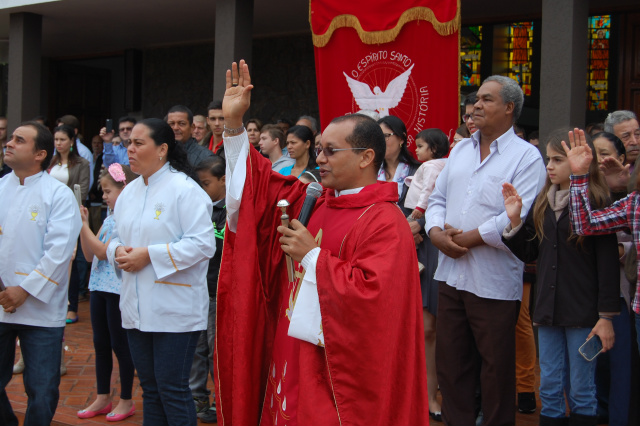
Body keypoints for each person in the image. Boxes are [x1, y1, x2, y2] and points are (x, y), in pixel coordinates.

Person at [214, 60, 428, 426]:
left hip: (337, 375)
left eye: (331, 151)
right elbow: (255, 190)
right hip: (292, 350)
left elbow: (374, 301)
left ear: (365, 157)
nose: (320, 159)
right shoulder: (314, 200)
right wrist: (234, 126)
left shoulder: (384, 221)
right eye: (321, 150)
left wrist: (312, 255)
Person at [425, 75, 546, 426]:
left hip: (492, 282)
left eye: (486, 99)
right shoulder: (460, 148)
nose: (476, 105)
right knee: (452, 367)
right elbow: (438, 199)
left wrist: (459, 241)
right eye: (476, 98)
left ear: (509, 108)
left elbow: (512, 218)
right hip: (450, 276)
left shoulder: (527, 157)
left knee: (495, 373)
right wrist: (435, 232)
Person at [502, 129, 619, 426]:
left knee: (582, 389)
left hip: (584, 312)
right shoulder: (543, 201)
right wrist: (515, 220)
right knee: (550, 387)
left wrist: (605, 316)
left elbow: (608, 264)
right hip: (548, 309)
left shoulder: (597, 201)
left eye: (558, 159)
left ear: (579, 162)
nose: (550, 166)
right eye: (548, 159)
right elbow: (530, 252)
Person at [105, 118, 215, 426]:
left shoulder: (185, 190)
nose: (130, 149)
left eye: (139, 143)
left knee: (172, 388)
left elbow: (203, 244)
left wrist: (149, 256)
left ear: (162, 149)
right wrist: (117, 251)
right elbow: (115, 237)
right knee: (150, 389)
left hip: (174, 308)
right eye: (129, 143)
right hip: (136, 305)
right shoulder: (128, 193)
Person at [0, 121, 82, 426]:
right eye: (10, 138)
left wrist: (23, 289)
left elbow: (60, 251)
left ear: (40, 154)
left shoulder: (58, 195)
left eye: (19, 140)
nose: (9, 143)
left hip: (40, 308)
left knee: (42, 389)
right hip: (0, 302)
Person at [76, 164, 137, 422]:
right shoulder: (109, 218)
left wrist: (82, 225)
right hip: (99, 287)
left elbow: (103, 252)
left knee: (120, 345)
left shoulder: (128, 218)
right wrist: (83, 226)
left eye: (108, 191)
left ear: (124, 189)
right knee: (100, 344)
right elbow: (90, 256)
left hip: (117, 289)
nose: (104, 196)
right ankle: (102, 396)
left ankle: (126, 399)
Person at [402, 128, 448, 421]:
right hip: (418, 244)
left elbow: (428, 200)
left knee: (441, 327)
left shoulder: (436, 168)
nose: (415, 149)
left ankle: (438, 393)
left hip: (439, 241)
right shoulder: (418, 170)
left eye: (420, 145)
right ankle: (423, 394)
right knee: (423, 327)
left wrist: (419, 219)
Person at [590, 131, 633, 426]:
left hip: (620, 297)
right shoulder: (581, 192)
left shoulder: (630, 195)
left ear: (621, 160)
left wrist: (622, 247)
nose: (597, 160)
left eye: (604, 153)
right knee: (589, 370)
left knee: (621, 370)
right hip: (583, 296)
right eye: (591, 153)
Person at [189, 156, 227, 424]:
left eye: (206, 184)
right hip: (196, 290)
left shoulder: (233, 212)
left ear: (224, 180)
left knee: (217, 351)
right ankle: (196, 399)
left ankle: (222, 402)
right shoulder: (195, 209)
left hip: (218, 292)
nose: (201, 190)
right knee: (195, 349)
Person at [49, 124, 91, 324]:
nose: (58, 143)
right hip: (50, 217)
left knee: (71, 261)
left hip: (69, 214)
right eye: (56, 140)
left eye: (62, 139)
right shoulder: (51, 162)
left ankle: (71, 307)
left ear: (71, 142)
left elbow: (81, 189)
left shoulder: (81, 163)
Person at [377, 115, 420, 196]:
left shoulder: (417, 171)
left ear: (401, 139)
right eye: (377, 137)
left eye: (385, 136)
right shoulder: (371, 170)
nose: (380, 142)